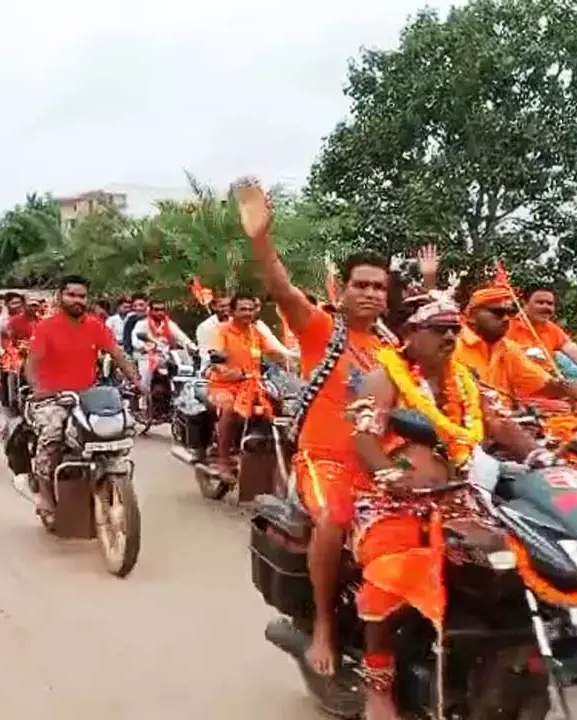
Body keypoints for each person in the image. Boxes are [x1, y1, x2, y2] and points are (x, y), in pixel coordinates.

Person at [236, 176, 411, 678]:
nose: (372, 294)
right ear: (345, 289)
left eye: (380, 287)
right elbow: (280, 286)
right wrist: (261, 238)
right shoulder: (318, 327)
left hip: (377, 463)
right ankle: (324, 629)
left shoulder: (392, 349)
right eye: (362, 285)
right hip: (324, 459)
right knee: (335, 516)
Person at [346, 292, 541, 719]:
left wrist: (539, 458)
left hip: (463, 499)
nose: (451, 336)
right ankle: (378, 684)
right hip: (392, 503)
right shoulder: (384, 378)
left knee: (518, 558)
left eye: (455, 329)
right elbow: (362, 437)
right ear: (411, 334)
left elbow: (499, 424)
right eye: (440, 329)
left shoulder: (465, 380)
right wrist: (390, 477)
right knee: (390, 571)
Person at [25, 276, 138, 520]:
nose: (78, 300)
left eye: (82, 296)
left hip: (88, 396)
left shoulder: (95, 325)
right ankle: (44, 494)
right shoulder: (46, 327)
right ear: (60, 297)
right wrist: (37, 388)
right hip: (52, 397)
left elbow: (117, 354)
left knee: (119, 429)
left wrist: (137, 381)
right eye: (72, 295)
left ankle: (111, 483)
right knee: (53, 434)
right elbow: (31, 363)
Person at [454, 281, 577, 409]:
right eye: (498, 313)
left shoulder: (508, 347)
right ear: (471, 316)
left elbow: (544, 383)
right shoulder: (451, 346)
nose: (506, 319)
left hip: (512, 415)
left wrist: (575, 388)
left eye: (509, 313)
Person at [205, 295, 288, 476]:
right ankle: (223, 460)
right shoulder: (221, 331)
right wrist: (228, 371)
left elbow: (274, 353)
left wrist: (292, 360)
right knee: (230, 410)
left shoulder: (255, 332)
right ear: (232, 311)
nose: (248, 313)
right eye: (243, 309)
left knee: (281, 407)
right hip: (223, 386)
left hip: (253, 385)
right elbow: (215, 358)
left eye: (251, 309)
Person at [506, 285, 577, 382]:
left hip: (549, 385)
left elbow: (576, 352)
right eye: (540, 303)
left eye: (550, 304)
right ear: (524, 303)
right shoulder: (505, 326)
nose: (546, 307)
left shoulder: (551, 328)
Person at [131, 299, 197, 391]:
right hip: (146, 356)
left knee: (185, 370)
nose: (160, 312)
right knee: (145, 381)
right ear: (150, 311)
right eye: (156, 310)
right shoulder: (142, 324)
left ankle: (180, 396)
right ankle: (144, 396)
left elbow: (180, 336)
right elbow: (135, 341)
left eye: (162, 310)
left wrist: (191, 345)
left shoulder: (169, 323)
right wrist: (147, 347)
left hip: (166, 356)